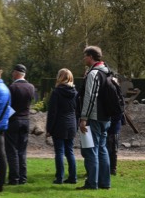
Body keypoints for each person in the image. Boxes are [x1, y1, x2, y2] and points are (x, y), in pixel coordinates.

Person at [77, 46, 111, 190]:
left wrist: (84, 118)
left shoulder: (93, 74)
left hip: (94, 117)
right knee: (102, 149)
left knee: (91, 150)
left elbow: (90, 98)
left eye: (85, 56)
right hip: (106, 118)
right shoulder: (108, 72)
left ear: (90, 56)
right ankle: (105, 183)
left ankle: (92, 183)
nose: (84, 59)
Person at [46, 68, 77, 184]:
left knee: (59, 152)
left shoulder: (56, 92)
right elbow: (76, 110)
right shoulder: (75, 92)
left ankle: (59, 177)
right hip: (71, 123)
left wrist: (49, 129)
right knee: (70, 151)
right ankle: (73, 177)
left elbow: (52, 112)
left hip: (59, 124)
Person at [5, 64, 35, 185]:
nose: (12, 74)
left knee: (12, 150)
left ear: (16, 73)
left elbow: (8, 105)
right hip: (26, 119)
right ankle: (23, 177)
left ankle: (14, 178)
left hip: (14, 120)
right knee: (22, 150)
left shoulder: (12, 87)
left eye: (13, 72)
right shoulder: (31, 87)